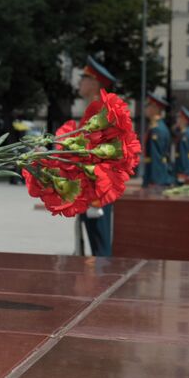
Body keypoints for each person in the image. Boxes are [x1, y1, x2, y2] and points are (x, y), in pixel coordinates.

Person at [75, 56, 118, 256]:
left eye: (83, 78)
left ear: (94, 83)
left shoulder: (99, 115)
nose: (79, 83)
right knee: (93, 243)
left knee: (100, 247)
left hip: (97, 189)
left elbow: (102, 155)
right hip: (89, 186)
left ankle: (104, 283)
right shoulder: (92, 113)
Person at [141, 92, 175, 187]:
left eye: (148, 106)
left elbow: (156, 156)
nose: (146, 109)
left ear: (155, 109)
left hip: (155, 176)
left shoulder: (157, 129)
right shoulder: (155, 127)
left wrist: (154, 181)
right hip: (153, 173)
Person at [174, 106, 189, 177]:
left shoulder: (186, 134)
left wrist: (182, 170)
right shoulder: (183, 132)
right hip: (182, 165)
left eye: (179, 118)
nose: (177, 120)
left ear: (184, 120)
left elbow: (183, 153)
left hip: (185, 167)